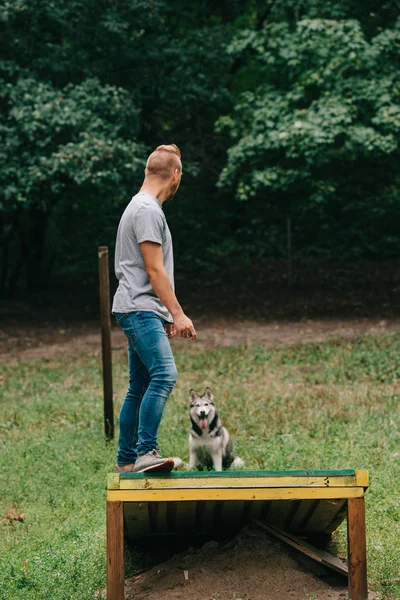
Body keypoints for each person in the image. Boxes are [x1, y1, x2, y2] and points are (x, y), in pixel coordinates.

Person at [112, 144, 196, 474]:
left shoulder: (140, 206)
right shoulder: (147, 210)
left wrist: (163, 314)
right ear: (175, 175)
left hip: (138, 307)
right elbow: (154, 269)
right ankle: (146, 451)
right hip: (139, 307)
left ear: (149, 171)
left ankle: (126, 460)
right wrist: (177, 313)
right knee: (164, 375)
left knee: (141, 385)